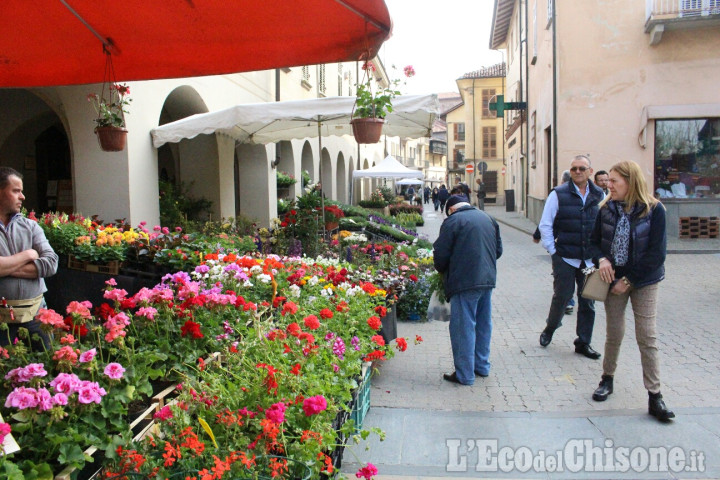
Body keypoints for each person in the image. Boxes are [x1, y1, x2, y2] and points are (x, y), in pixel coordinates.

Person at [589, 161, 674, 421]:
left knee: (647, 336)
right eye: (608, 181)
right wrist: (601, 260)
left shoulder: (654, 210)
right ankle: (607, 378)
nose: (608, 185)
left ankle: (655, 395)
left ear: (630, 181)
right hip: (612, 277)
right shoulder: (605, 208)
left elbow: (657, 255)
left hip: (644, 280)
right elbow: (593, 244)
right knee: (614, 331)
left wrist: (629, 280)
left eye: (615, 181)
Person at [538, 155, 605, 359]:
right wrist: (554, 252)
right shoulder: (558, 194)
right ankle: (550, 328)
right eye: (574, 168)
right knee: (562, 297)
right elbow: (545, 225)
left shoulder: (600, 195)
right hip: (566, 257)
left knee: (588, 302)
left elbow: (605, 226)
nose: (577, 171)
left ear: (590, 171)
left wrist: (602, 256)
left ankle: (583, 342)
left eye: (582, 168)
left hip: (590, 260)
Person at [433, 195, 503, 385]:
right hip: (487, 279)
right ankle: (481, 366)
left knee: (463, 327)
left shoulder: (453, 221)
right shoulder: (488, 218)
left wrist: (443, 271)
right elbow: (498, 251)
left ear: (452, 209)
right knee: (483, 323)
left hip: (464, 281)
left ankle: (465, 374)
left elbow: (440, 255)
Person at [0, 167, 58, 350]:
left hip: (36, 317)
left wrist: (5, 268)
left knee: (46, 370)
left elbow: (51, 264)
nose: (22, 196)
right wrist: (28, 255)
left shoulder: (31, 227)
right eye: (16, 191)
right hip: (2, 323)